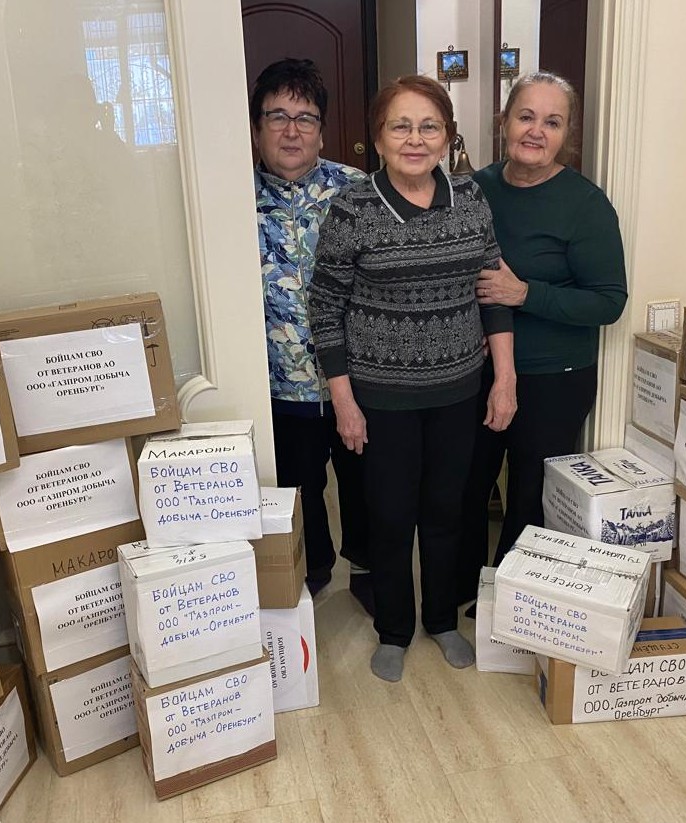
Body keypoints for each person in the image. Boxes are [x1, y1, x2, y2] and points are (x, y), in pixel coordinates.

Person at [308, 75, 517, 682]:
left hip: (459, 390)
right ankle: (395, 630)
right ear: (378, 138)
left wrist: (503, 379)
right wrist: (344, 401)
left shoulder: (470, 198)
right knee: (391, 516)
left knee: (449, 510)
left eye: (429, 126)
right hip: (381, 399)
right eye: (400, 126)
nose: (415, 139)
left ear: (448, 136)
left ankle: (443, 620)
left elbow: (492, 291)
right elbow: (325, 308)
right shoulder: (352, 208)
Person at [458, 71, 628, 610]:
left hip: (555, 377)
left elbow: (608, 302)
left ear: (566, 136)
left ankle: (507, 608)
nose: (536, 131)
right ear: (503, 122)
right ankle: (460, 594)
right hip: (477, 369)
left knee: (529, 496)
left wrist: (525, 293)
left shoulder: (585, 205)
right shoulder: (475, 189)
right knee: (464, 485)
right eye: (526, 116)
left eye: (552, 123)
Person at [251, 58, 373, 610]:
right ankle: (315, 566)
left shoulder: (357, 192)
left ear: (322, 130)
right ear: (257, 128)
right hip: (280, 383)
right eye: (277, 116)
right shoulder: (231, 201)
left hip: (358, 379)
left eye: (305, 118)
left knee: (365, 482)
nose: (292, 130)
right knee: (300, 485)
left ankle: (368, 568)